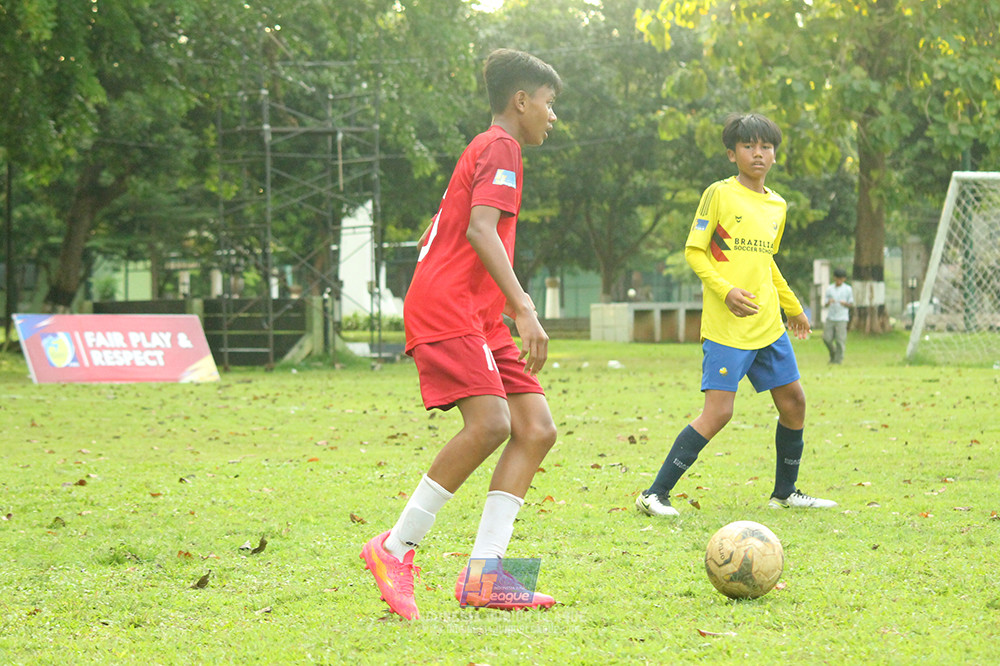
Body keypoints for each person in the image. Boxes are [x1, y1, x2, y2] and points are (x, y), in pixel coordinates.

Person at [359, 49, 562, 620]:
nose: (552, 116)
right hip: (450, 307)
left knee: (535, 429)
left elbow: (458, 223)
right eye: (548, 104)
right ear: (521, 101)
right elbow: (479, 228)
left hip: (477, 312)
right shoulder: (502, 145)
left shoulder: (490, 147)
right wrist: (524, 307)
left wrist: (503, 307)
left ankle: (485, 575)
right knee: (492, 423)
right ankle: (394, 548)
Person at [635, 113, 836, 518]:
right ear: (732, 154)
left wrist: (792, 306)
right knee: (719, 413)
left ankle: (785, 492)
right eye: (748, 146)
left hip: (768, 326)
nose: (758, 154)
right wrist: (725, 291)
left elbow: (766, 262)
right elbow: (694, 250)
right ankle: (654, 494)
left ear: (775, 154)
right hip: (727, 328)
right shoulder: (719, 195)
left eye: (765, 146)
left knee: (794, 402)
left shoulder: (777, 205)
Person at [823, 268, 854, 364]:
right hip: (831, 317)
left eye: (841, 279)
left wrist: (845, 303)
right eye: (838, 279)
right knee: (826, 338)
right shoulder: (830, 289)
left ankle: (837, 360)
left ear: (844, 279)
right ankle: (833, 354)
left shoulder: (848, 289)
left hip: (842, 318)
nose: (839, 281)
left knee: (840, 340)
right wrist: (829, 302)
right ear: (834, 278)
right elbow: (825, 304)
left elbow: (851, 304)